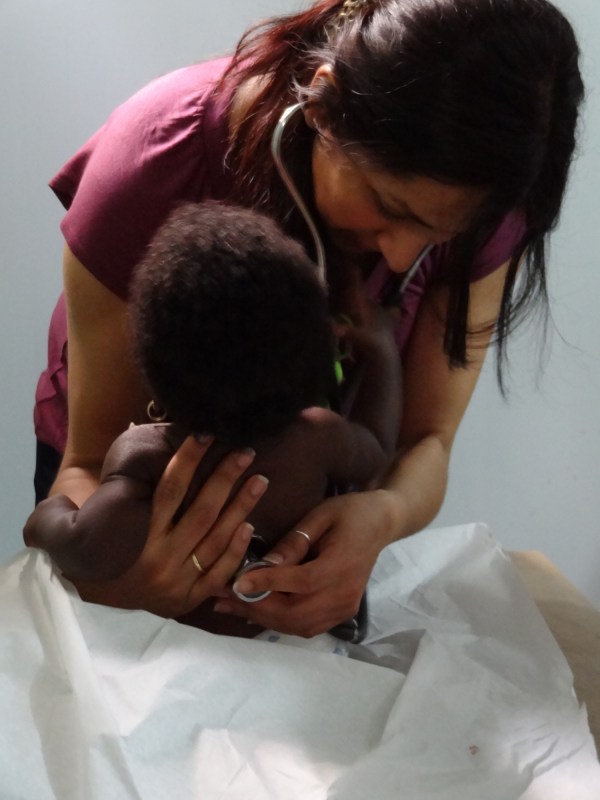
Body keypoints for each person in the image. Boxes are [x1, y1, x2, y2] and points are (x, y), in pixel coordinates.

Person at [29, 0, 584, 636]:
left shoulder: (484, 193)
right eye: (385, 204)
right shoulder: (154, 156)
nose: (403, 257)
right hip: (111, 498)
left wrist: (383, 515)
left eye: (441, 230)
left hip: (297, 533)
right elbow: (88, 464)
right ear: (322, 105)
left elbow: (424, 442)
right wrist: (119, 580)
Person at [25, 201, 399, 637]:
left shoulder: (147, 457)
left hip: (182, 666)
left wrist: (47, 520)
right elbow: (379, 446)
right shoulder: (320, 437)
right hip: (284, 652)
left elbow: (86, 547)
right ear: (315, 362)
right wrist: (384, 353)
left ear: (151, 367)